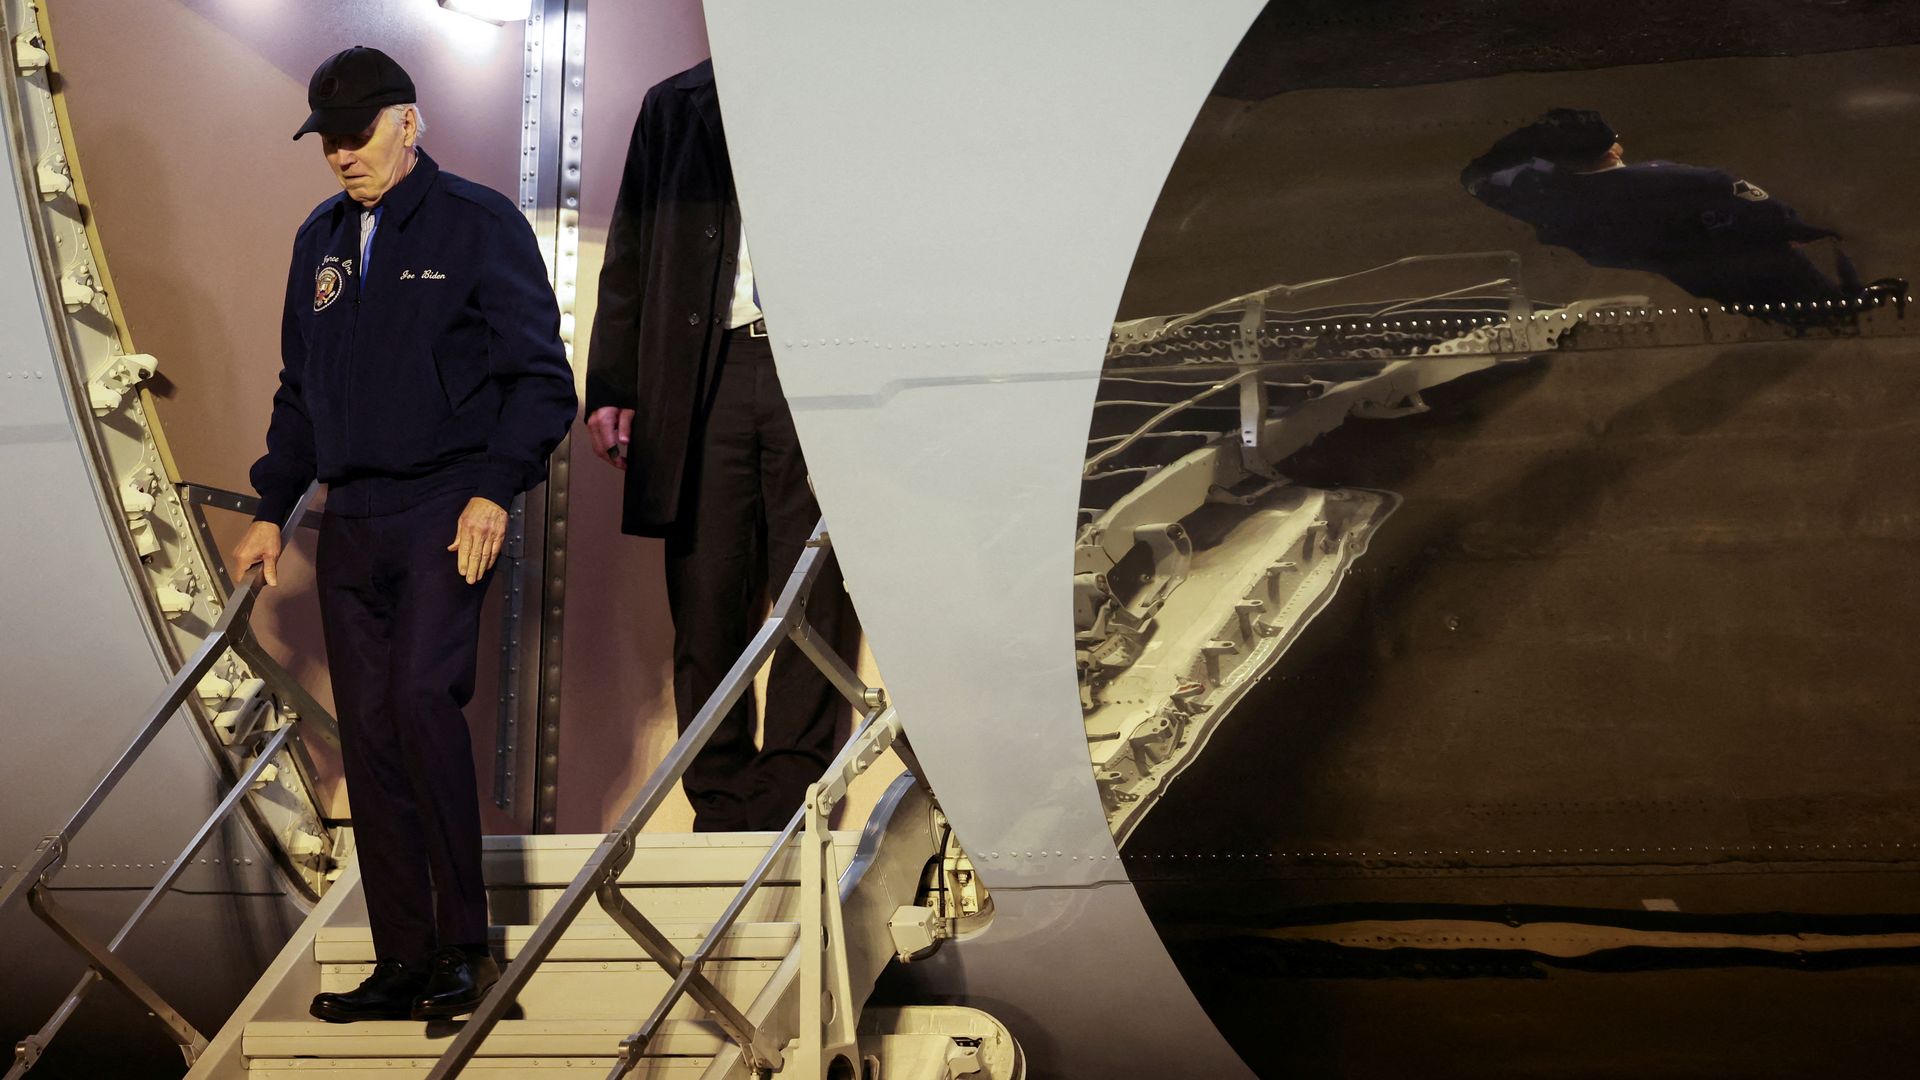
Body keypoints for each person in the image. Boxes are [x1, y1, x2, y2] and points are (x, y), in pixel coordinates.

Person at [231, 46, 577, 1023]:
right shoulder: (321, 241)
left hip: (443, 507)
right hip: (354, 519)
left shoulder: (475, 225)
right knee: (373, 737)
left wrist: (493, 491)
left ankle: (467, 953)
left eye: (358, 135)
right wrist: (270, 509)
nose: (342, 156)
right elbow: (300, 392)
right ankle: (403, 960)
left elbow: (541, 380)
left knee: (425, 704)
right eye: (329, 141)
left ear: (408, 123)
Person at [584, 59, 860, 833]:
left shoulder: (846, 89)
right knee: (705, 589)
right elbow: (630, 252)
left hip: (819, 364)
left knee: (813, 581)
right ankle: (719, 793)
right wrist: (611, 382)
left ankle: (794, 787)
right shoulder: (676, 103)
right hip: (710, 368)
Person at [1462, 107, 1901, 314]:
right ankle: (1838, 312)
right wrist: (1804, 229)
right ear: (1614, 145)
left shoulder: (1536, 191)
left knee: (1728, 293)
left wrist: (1534, 143)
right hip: (1729, 254)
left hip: (1669, 264)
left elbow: (1476, 175)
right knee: (1789, 280)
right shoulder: (1686, 180)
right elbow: (1767, 215)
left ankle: (1769, 313)